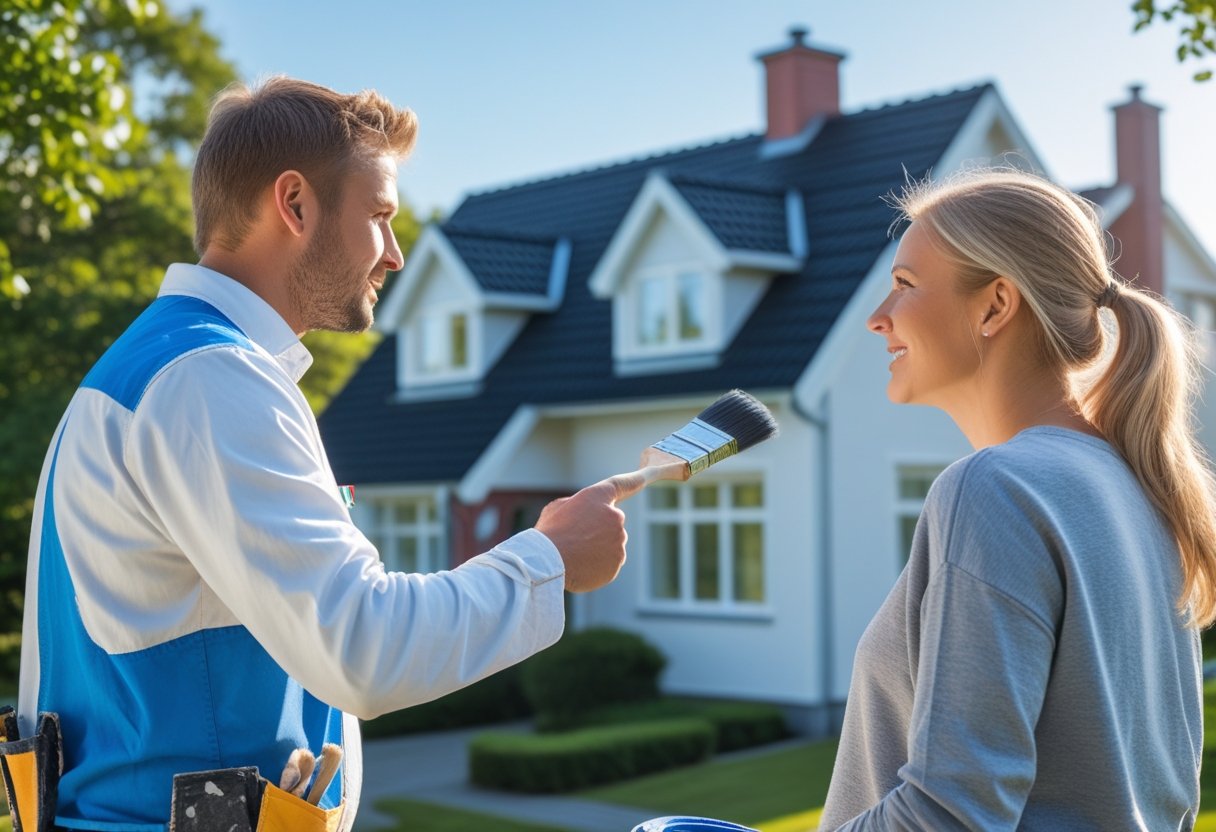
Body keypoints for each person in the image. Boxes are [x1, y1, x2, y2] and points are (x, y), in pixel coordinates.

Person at [14, 77, 643, 830]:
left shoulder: (149, 371)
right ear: (296, 204)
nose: (396, 255)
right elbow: (363, 648)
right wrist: (549, 560)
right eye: (380, 216)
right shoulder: (211, 380)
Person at [819, 167, 1216, 830]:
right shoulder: (1141, 489)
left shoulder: (994, 489)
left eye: (905, 286)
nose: (876, 319)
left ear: (996, 306)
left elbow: (950, 817)